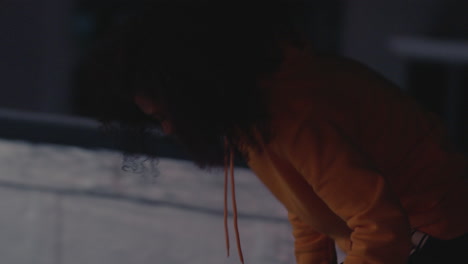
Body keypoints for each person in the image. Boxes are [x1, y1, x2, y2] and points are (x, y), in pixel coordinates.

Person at [79, 1, 468, 263]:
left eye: (167, 112)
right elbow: (309, 207)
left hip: (438, 234)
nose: (166, 127)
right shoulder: (258, 113)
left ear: (193, 88)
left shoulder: (292, 114)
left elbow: (380, 225)